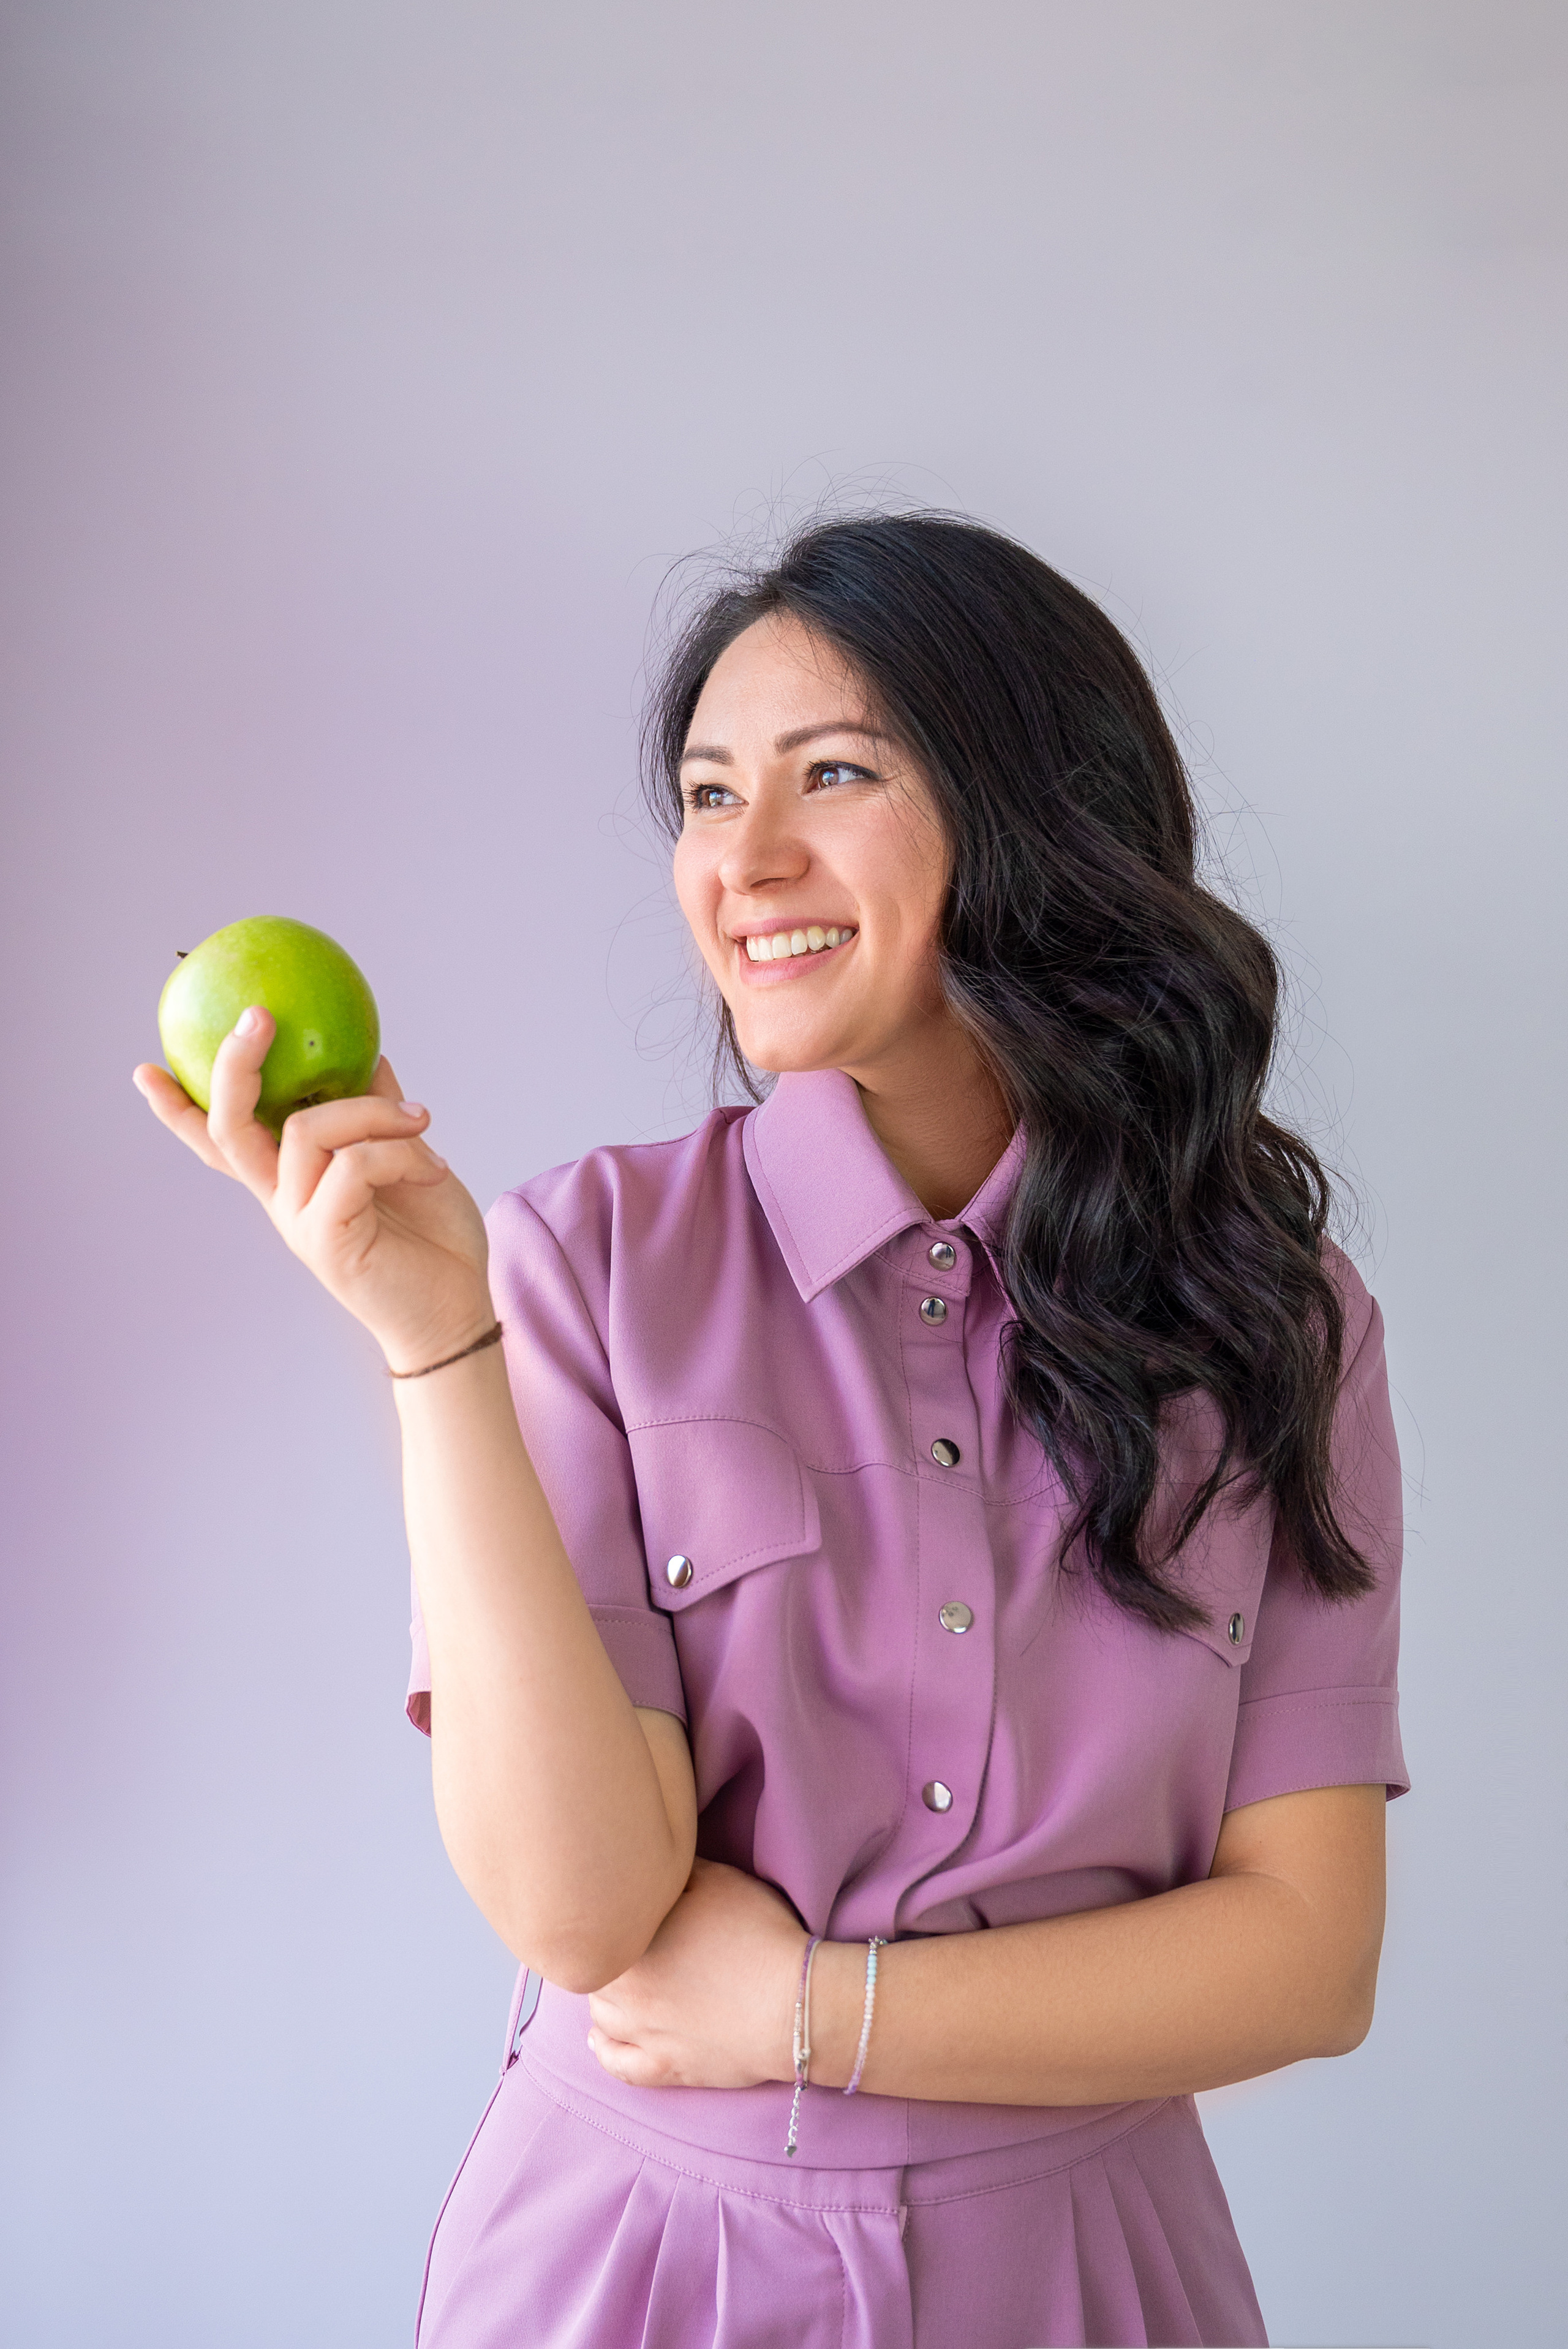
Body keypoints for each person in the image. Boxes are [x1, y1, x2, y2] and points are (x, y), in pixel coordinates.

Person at [134, 513, 1406, 2349]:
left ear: (1038, 811)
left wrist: (812, 2010)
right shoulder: (581, 1260)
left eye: (833, 774)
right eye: (709, 793)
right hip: (636, 2269)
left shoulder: (1277, 1323)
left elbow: (1309, 1954)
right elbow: (588, 1914)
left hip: (1089, 2277)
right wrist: (438, 1351)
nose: (745, 860)